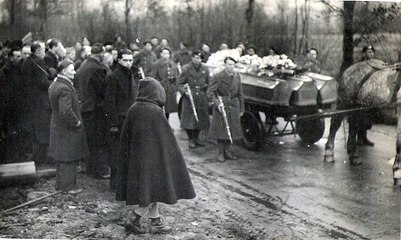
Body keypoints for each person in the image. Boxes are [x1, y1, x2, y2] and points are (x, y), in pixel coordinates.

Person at [116, 77, 196, 235]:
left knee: (152, 190)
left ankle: (156, 221)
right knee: (153, 189)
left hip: (138, 159)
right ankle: (135, 218)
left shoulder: (134, 108)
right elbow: (166, 138)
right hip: (154, 160)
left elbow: (127, 136)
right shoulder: (155, 111)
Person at [48, 60, 89, 192]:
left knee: (62, 157)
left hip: (59, 127)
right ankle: (68, 187)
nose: (74, 72)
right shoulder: (64, 88)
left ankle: (61, 185)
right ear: (64, 71)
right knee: (69, 157)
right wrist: (76, 122)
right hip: (67, 129)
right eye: (72, 70)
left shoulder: (55, 84)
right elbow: (65, 110)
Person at [74, 43, 109, 179]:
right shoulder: (97, 68)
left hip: (85, 108)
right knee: (99, 140)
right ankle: (99, 171)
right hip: (96, 109)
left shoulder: (83, 66)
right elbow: (103, 89)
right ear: (101, 54)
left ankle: (89, 168)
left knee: (90, 140)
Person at [104, 49, 137, 190]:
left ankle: (125, 183)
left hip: (129, 119)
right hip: (118, 121)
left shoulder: (131, 75)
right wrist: (113, 124)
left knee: (128, 152)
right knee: (117, 152)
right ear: (119, 60)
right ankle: (115, 184)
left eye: (130, 60)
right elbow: (109, 103)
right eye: (125, 60)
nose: (128, 63)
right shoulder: (113, 77)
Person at [21, 42, 54, 164]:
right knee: (42, 130)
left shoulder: (27, 61)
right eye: (43, 51)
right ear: (38, 52)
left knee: (35, 131)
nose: (44, 53)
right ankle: (42, 159)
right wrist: (55, 83)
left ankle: (37, 158)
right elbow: (42, 82)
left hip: (31, 101)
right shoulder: (38, 61)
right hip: (40, 102)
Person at [207, 56, 244, 162]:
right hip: (223, 105)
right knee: (221, 129)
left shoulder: (237, 76)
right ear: (225, 65)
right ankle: (220, 152)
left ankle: (227, 151)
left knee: (231, 128)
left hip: (234, 105)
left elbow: (240, 93)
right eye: (229, 64)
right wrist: (217, 103)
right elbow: (210, 92)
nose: (231, 67)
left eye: (233, 65)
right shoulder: (218, 76)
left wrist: (241, 108)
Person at [177, 51, 210, 148]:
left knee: (200, 118)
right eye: (195, 58)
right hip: (189, 96)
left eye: (199, 58)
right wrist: (184, 92)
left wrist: (207, 92)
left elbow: (209, 83)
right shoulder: (186, 69)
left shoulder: (205, 68)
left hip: (201, 96)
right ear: (192, 58)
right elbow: (179, 83)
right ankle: (190, 139)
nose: (197, 60)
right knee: (189, 119)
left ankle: (197, 138)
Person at [354, 45, 375, 147]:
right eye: (369, 52)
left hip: (370, 93)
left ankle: (364, 137)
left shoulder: (375, 64)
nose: (371, 54)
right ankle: (359, 138)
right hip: (360, 93)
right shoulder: (360, 65)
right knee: (359, 116)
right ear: (364, 53)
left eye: (372, 52)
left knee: (368, 116)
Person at [150, 47, 179, 120]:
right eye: (164, 53)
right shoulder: (156, 64)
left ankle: (166, 125)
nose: (166, 55)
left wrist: (175, 87)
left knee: (168, 109)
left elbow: (177, 76)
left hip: (170, 89)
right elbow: (153, 78)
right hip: (161, 88)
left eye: (168, 53)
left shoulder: (173, 64)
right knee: (160, 108)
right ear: (161, 54)